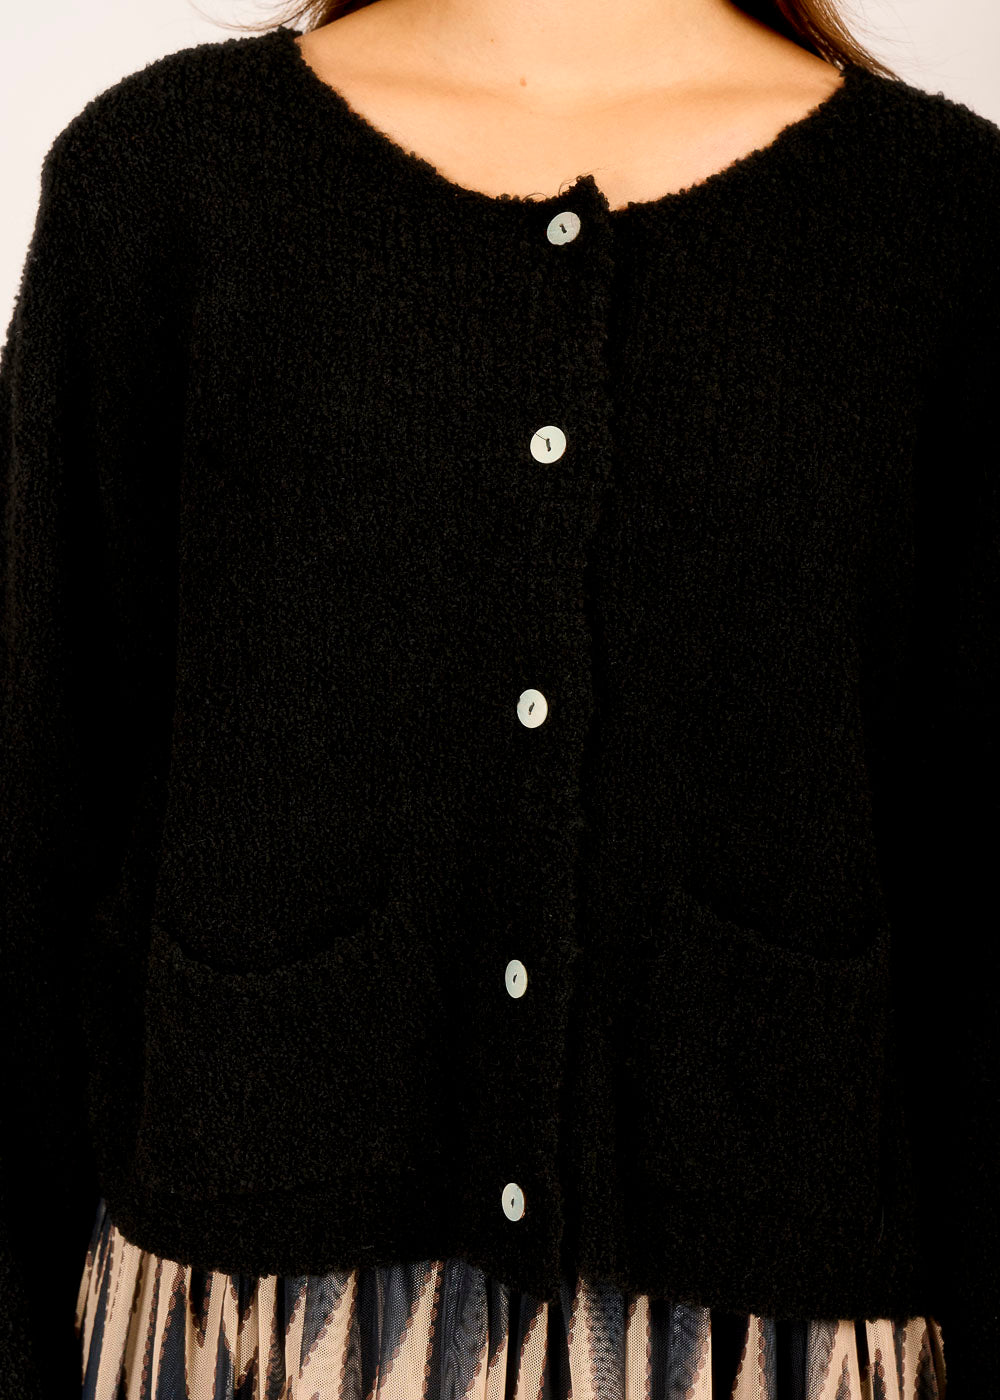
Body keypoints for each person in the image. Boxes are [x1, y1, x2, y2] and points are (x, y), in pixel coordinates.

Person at [1, 0, 995, 1395]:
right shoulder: (168, 187)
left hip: (782, 1322)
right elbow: (34, 824)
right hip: (255, 1325)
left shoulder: (941, 225)